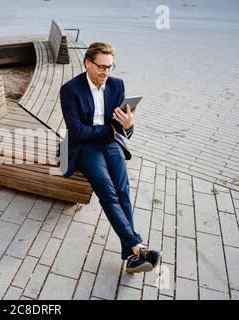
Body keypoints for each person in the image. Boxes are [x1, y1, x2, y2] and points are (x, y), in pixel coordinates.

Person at [59, 42, 161, 273]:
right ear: (87, 63)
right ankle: (137, 247)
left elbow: (120, 126)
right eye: (101, 67)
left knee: (123, 190)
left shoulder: (117, 85)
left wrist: (129, 125)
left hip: (109, 143)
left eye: (110, 67)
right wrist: (110, 131)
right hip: (84, 147)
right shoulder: (70, 90)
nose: (106, 72)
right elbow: (77, 132)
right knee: (107, 190)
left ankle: (133, 254)